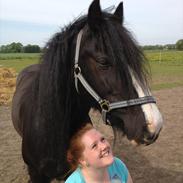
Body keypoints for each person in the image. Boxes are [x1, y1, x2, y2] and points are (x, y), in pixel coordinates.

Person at [66, 123, 133, 183]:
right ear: (82, 160)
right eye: (94, 146)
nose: (104, 146)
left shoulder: (117, 165)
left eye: (102, 139)